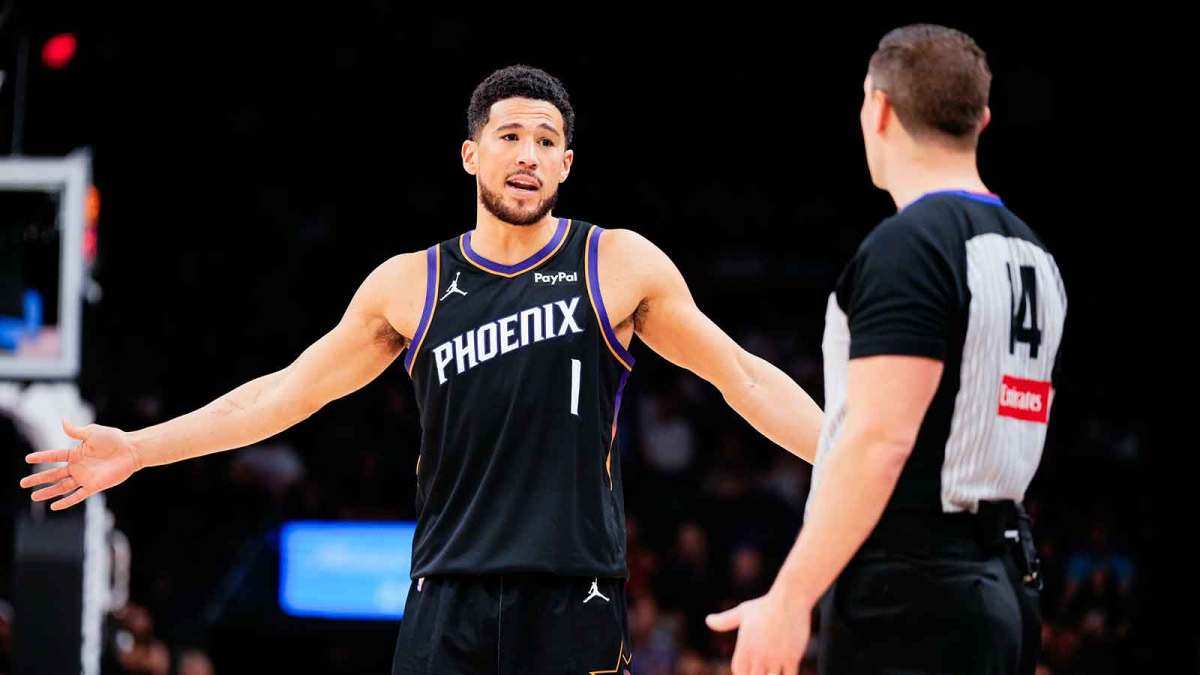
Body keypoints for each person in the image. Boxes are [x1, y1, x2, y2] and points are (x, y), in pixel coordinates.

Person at [21, 65, 823, 675]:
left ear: (567, 164)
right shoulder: (412, 282)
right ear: (472, 153)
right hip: (447, 596)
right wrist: (140, 447)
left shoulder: (615, 263)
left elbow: (744, 378)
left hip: (573, 595)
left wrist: (861, 460)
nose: (528, 154)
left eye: (546, 140)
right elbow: (281, 392)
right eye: (510, 135)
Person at [707, 24, 1067, 675]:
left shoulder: (910, 247)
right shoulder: (1032, 251)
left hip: (913, 593)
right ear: (981, 119)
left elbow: (881, 444)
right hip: (1006, 575)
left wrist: (790, 598)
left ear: (877, 109)